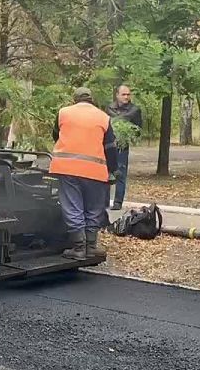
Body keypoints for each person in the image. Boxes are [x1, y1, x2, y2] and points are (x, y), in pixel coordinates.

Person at [50, 87, 119, 260]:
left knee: (73, 207)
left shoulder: (63, 113)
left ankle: (78, 248)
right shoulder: (103, 117)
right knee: (93, 208)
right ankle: (91, 247)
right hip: (95, 171)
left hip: (67, 168)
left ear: (75, 99)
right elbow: (110, 147)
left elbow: (56, 135)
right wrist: (112, 170)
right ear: (91, 99)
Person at [105, 84, 142, 210]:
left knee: (120, 172)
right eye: (123, 94)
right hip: (108, 144)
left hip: (122, 145)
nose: (126, 97)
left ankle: (117, 202)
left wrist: (130, 134)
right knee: (106, 172)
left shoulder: (135, 110)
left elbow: (138, 129)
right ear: (117, 95)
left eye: (128, 94)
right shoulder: (110, 107)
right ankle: (104, 200)